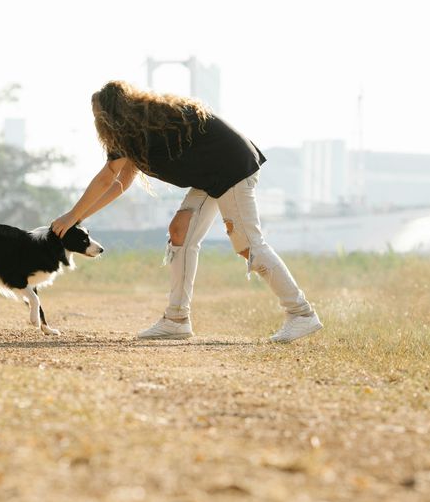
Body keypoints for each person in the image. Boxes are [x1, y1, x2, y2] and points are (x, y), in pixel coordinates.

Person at [50, 80, 322, 343]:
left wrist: (72, 216)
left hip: (231, 168)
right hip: (213, 174)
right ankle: (177, 320)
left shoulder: (141, 125)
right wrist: (80, 216)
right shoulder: (137, 131)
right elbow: (120, 182)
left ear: (112, 115)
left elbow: (106, 178)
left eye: (98, 116)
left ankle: (301, 313)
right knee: (180, 232)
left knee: (248, 244)